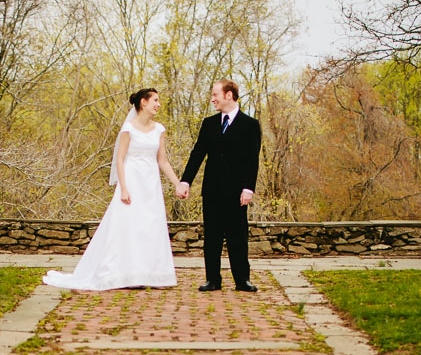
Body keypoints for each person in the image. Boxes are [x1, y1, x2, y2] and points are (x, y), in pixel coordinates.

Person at [43, 88, 182, 291]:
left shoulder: (159, 129)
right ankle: (124, 273)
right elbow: (119, 159)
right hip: (132, 181)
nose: (158, 104)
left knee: (150, 226)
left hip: (150, 184)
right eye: (155, 100)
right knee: (128, 227)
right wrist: (124, 188)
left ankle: (152, 273)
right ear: (143, 102)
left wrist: (177, 183)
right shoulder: (128, 129)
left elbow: (162, 160)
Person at [177, 80, 262, 292]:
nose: (212, 99)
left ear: (229, 95)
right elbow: (197, 154)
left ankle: (242, 280)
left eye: (216, 94)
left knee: (237, 237)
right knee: (212, 236)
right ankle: (212, 279)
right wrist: (186, 180)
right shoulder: (209, 124)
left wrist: (248, 188)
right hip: (212, 190)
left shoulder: (250, 125)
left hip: (237, 192)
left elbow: (252, 160)